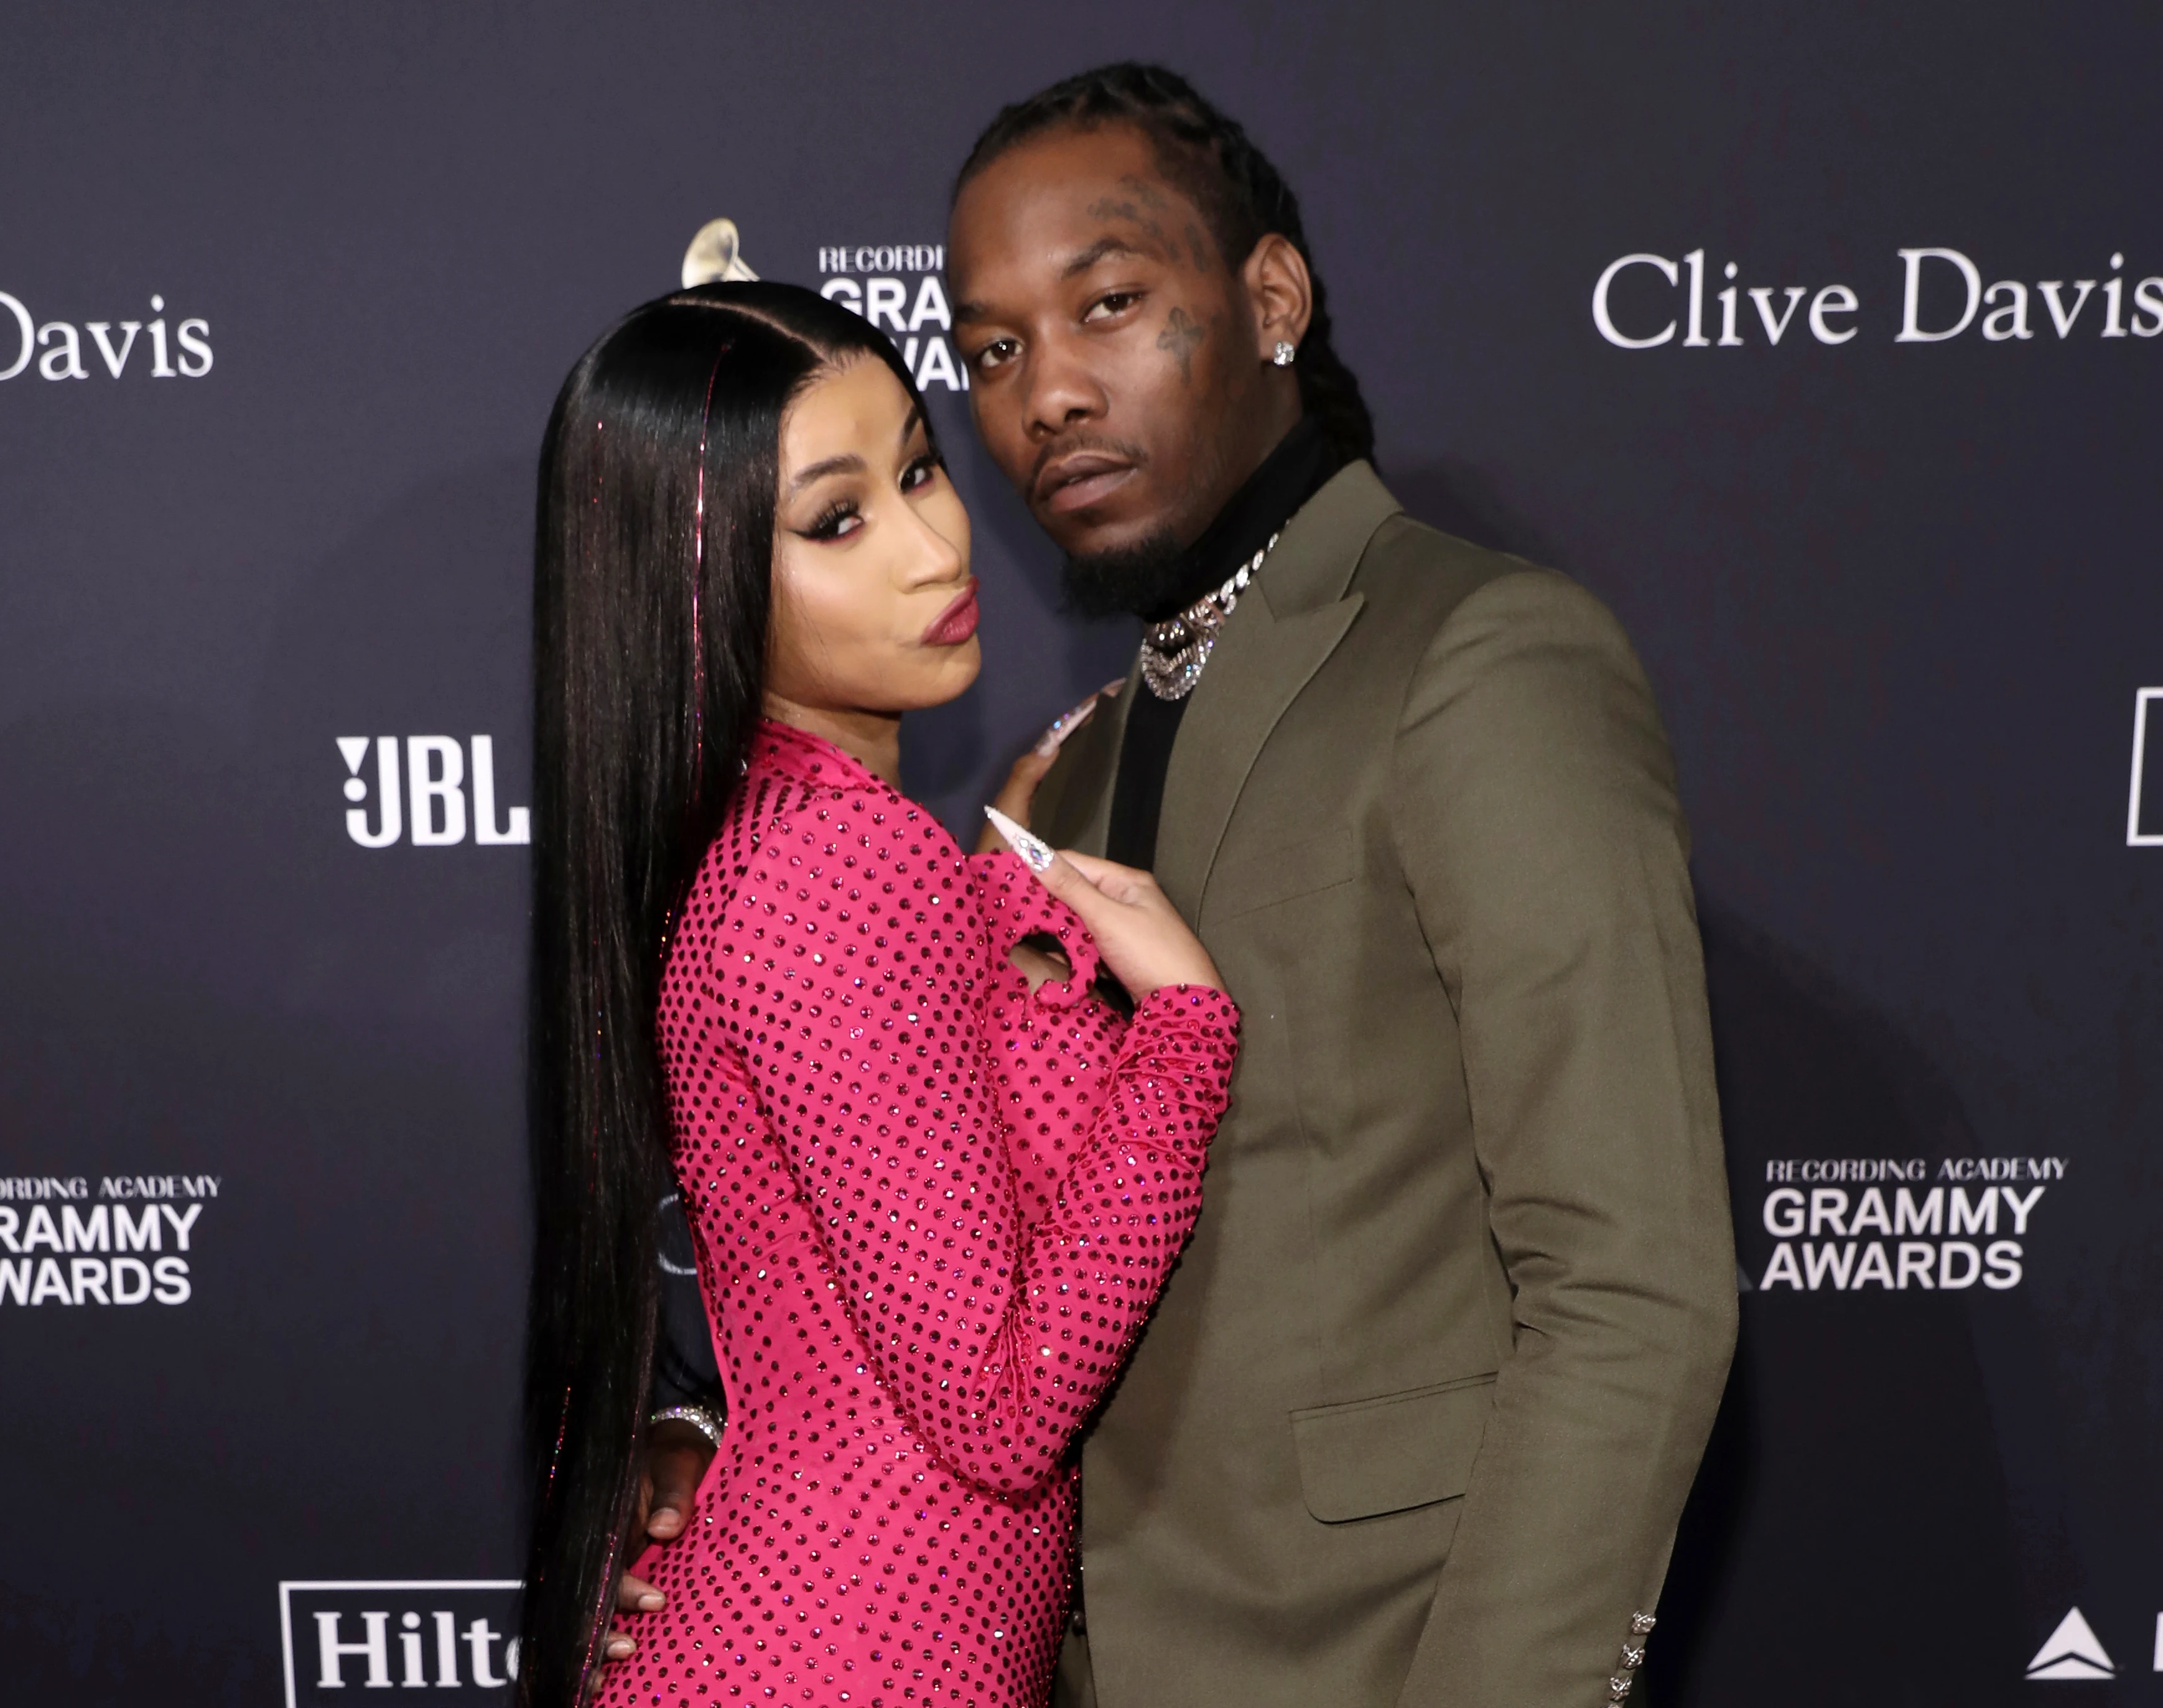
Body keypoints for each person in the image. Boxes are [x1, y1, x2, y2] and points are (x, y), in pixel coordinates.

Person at [626, 63, 1739, 1708]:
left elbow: (1631, 1290)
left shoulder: (1473, 656)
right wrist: (686, 1442)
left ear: (1268, 295)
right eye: (994, 351)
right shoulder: (1052, 778)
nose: (1046, 394)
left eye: (1109, 304)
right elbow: (911, 1254)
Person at [519, 281, 1241, 1708]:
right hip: (838, 1654)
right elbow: (1001, 1403)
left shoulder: (788, 840)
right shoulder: (834, 859)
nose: (934, 545)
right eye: (837, 519)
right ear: (694, 574)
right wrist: (1185, 1037)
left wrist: (989, 917)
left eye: (919, 467)